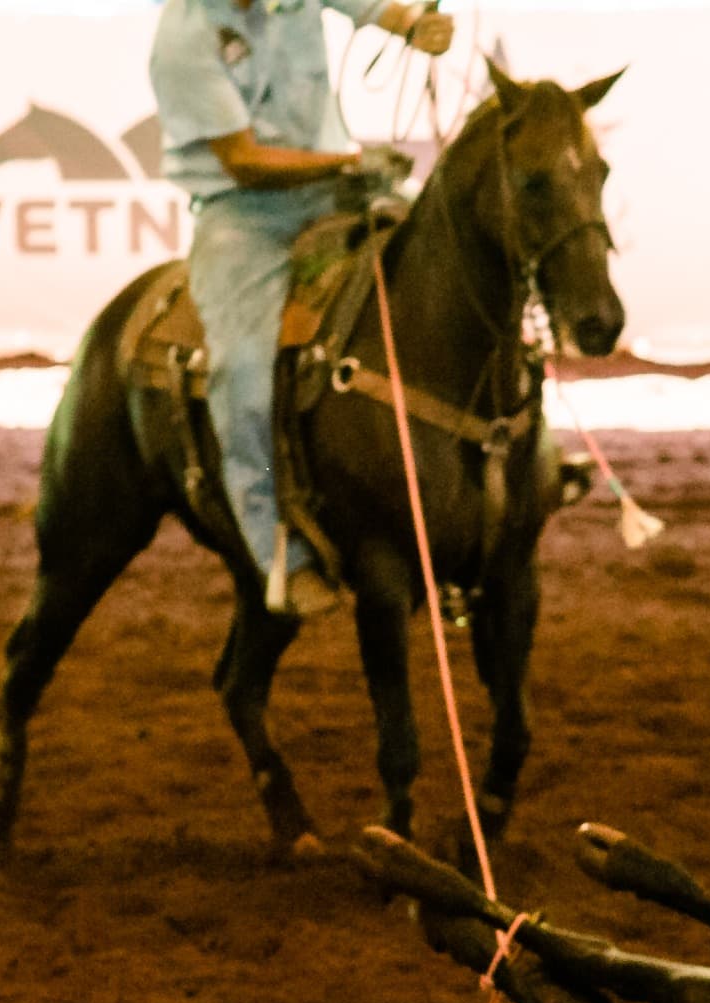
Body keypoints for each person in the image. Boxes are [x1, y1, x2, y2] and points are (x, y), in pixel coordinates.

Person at [148, 0, 455, 616]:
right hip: (243, 215)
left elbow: (373, 7)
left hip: (337, 190)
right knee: (242, 370)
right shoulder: (184, 36)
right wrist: (351, 160)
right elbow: (244, 161)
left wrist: (412, 25)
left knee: (448, 258)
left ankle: (504, 462)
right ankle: (278, 552)